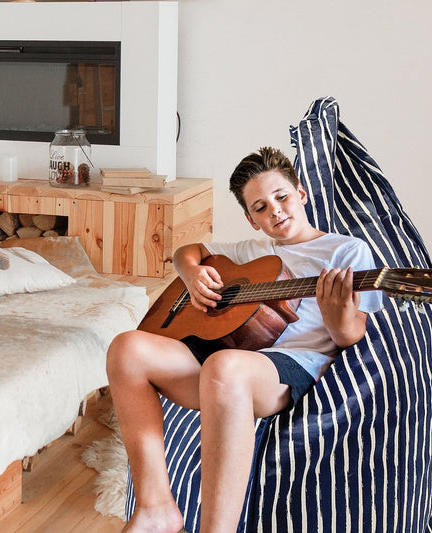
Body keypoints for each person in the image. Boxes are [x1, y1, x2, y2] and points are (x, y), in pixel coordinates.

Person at [106, 147, 382, 533]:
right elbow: (189, 251)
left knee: (224, 366)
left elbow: (352, 336)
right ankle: (156, 508)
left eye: (281, 197)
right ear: (252, 220)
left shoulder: (346, 250)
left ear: (301, 193)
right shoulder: (252, 251)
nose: (275, 211)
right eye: (260, 208)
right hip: (231, 361)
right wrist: (191, 275)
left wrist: (338, 319)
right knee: (127, 348)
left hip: (288, 368)